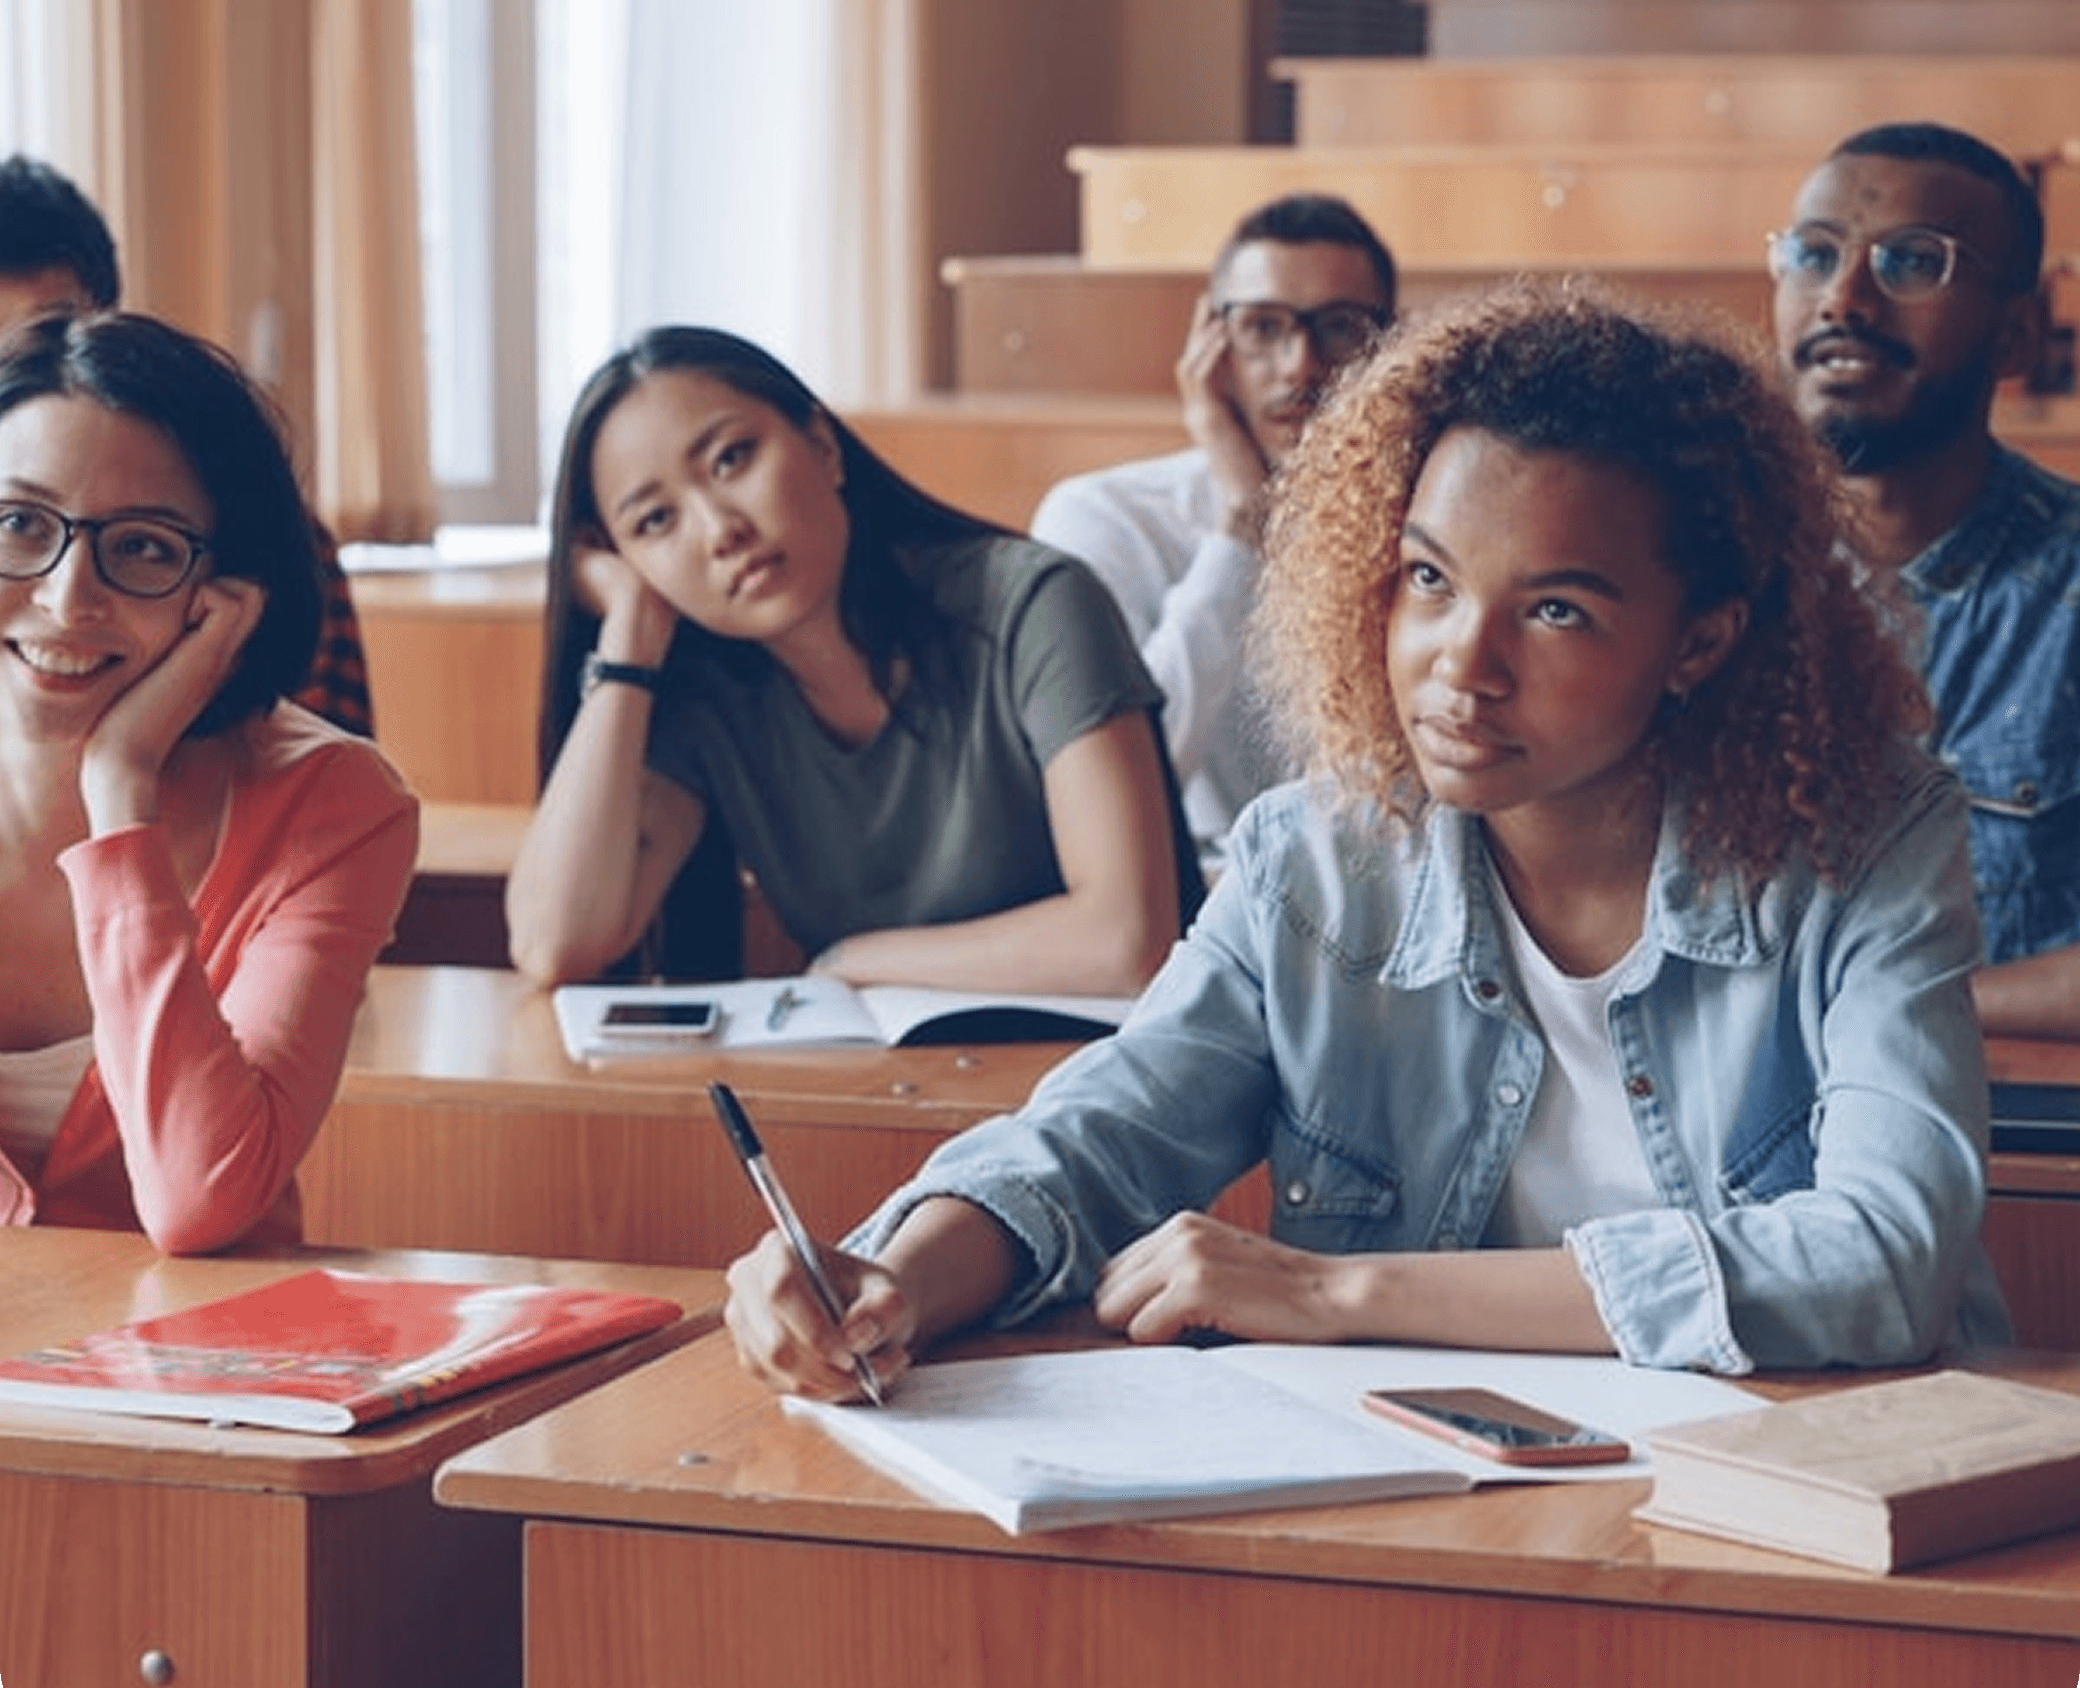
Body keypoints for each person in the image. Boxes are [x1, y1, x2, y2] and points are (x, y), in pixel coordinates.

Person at [725, 282, 2008, 1397]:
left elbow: (1883, 1262)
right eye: (1429, 581)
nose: (1463, 667)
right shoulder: (1314, 862)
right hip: (1433, 1478)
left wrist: (1339, 1295)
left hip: (1802, 1498)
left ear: (1702, 640)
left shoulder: (1866, 843)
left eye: (1555, 609)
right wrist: (887, 1280)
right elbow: (1096, 1138)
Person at [507, 325, 1204, 993]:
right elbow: (553, 943)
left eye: (731, 459)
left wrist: (857, 960)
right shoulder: (710, 696)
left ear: (823, 445)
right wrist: (629, 637)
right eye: (655, 522)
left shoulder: (1032, 605)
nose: (721, 531)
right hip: (902, 1094)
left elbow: (1126, 941)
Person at [0, 311, 418, 1252]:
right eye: (19, 523)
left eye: (143, 545)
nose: (67, 597)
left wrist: (122, 799)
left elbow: (202, 1201)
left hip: (184, 1378)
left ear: (227, 591)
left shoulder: (336, 807)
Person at [1771, 122, 2080, 1040]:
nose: (1843, 297)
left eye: (1913, 262)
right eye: (1813, 254)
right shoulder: (1693, 567)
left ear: (2017, 332)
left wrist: (1887, 1014)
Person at [1030, 194, 1395, 866]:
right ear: (1210, 345)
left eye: (1341, 328)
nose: (1299, 365)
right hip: (1195, 894)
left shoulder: (1431, 524)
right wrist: (1241, 529)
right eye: (1263, 327)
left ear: (1388, 347)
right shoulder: (1104, 517)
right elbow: (1116, 792)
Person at [0, 153, 376, 738]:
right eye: (20, 523)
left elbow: (312, 785)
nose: (17, 373)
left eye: (44, 334)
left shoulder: (252, 541)